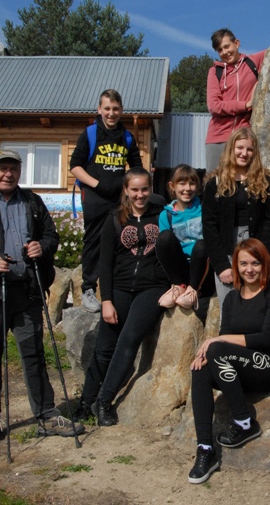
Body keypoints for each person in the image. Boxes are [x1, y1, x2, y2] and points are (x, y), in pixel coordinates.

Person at [0, 148, 84, 442]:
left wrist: (41, 247)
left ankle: (46, 415)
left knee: (34, 354)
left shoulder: (32, 201)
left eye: (13, 168)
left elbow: (51, 236)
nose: (8, 174)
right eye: (2, 168)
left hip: (27, 291)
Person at [187, 239, 270, 484]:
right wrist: (206, 353)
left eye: (255, 263)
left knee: (216, 348)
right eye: (243, 264)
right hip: (240, 367)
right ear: (236, 266)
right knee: (200, 370)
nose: (249, 269)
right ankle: (205, 449)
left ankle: (244, 422)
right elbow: (225, 336)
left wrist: (217, 341)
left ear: (265, 265)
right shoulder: (232, 298)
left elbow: (267, 338)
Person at [79, 167, 170, 426]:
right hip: (119, 287)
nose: (140, 195)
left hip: (151, 287)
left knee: (129, 339)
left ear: (151, 189)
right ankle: (85, 402)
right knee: (104, 347)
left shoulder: (161, 215)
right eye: (135, 190)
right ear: (126, 191)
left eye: (145, 189)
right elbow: (105, 263)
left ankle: (104, 401)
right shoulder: (114, 218)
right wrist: (106, 300)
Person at [70, 89, 143, 313]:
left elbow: (137, 168)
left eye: (116, 109)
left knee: (121, 240)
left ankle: (118, 286)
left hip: (119, 199)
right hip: (95, 196)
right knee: (93, 241)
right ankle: (88, 289)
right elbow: (75, 166)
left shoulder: (127, 137)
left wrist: (132, 189)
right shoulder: (90, 134)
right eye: (107, 108)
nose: (111, 113)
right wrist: (97, 185)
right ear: (99, 109)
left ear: (121, 110)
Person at [205, 21, 270, 172]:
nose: (224, 52)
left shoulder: (252, 62)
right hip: (218, 137)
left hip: (243, 137)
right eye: (220, 50)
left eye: (227, 46)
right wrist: (246, 105)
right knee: (214, 181)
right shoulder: (215, 71)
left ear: (237, 43)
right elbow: (214, 106)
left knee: (243, 180)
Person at [202, 127, 270, 312]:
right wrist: (221, 265)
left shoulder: (266, 181)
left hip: (261, 248)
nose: (244, 153)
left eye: (249, 149)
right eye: (240, 148)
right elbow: (209, 226)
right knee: (231, 311)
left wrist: (260, 253)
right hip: (227, 250)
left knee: (263, 308)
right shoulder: (214, 183)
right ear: (231, 149)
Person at [156, 164, 210, 310]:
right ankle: (178, 286)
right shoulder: (166, 215)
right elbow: (165, 248)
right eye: (182, 183)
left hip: (202, 267)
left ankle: (193, 290)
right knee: (164, 237)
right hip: (181, 267)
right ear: (172, 186)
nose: (187, 188)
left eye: (192, 183)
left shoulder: (204, 209)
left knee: (202, 245)